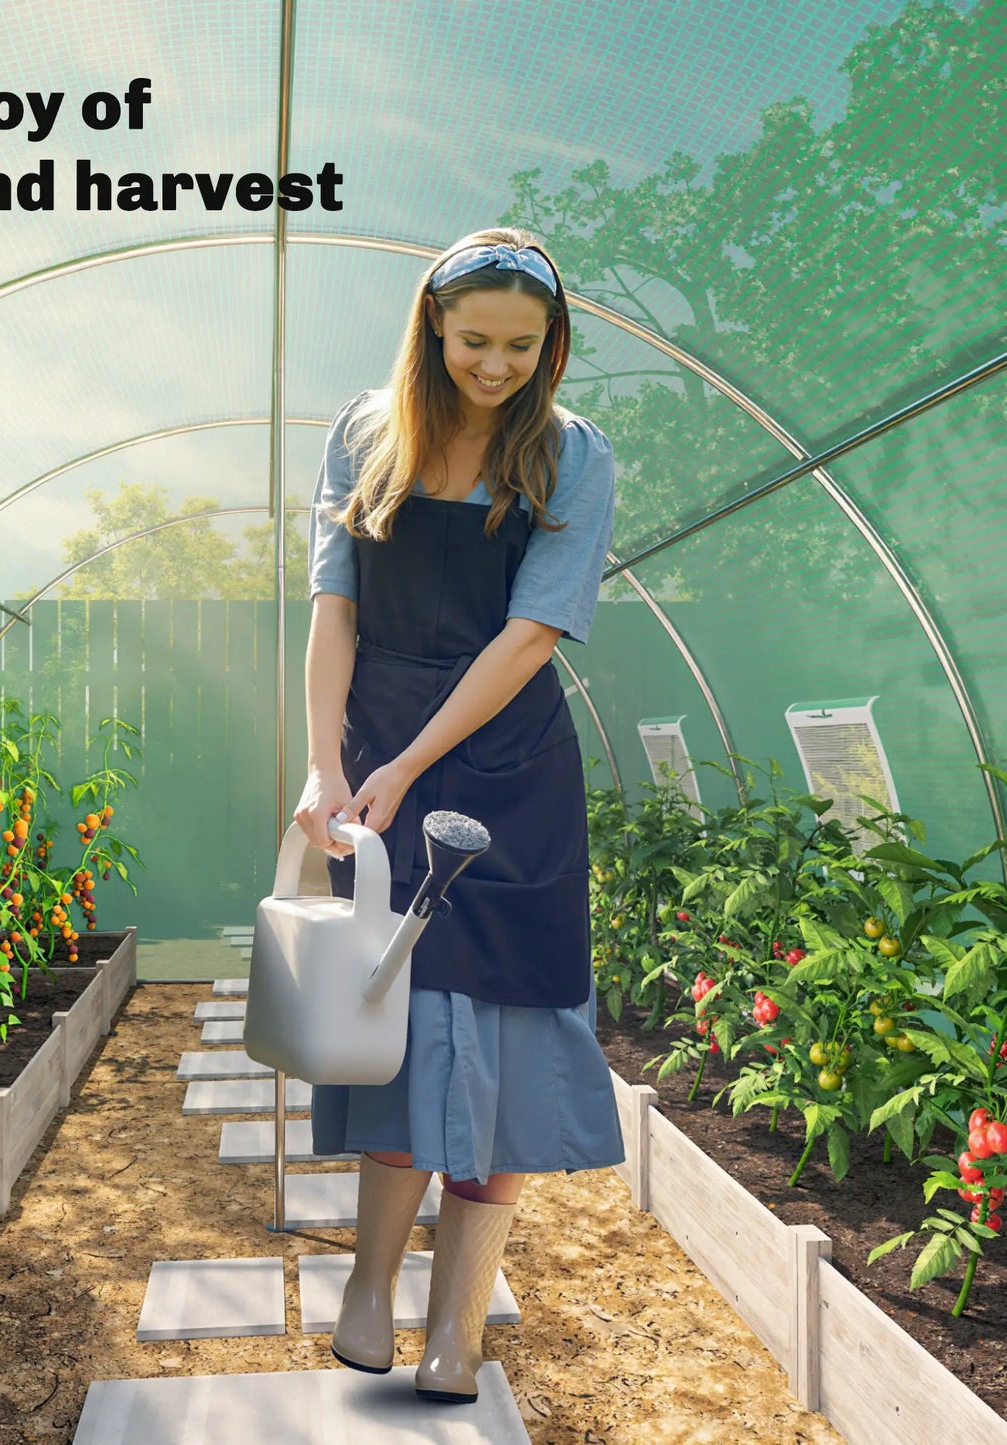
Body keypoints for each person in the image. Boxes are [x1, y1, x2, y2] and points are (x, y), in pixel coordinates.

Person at [294, 226, 627, 1405]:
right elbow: (331, 609)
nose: (495, 365)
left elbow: (529, 634)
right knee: (392, 1023)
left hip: (507, 771)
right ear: (432, 325)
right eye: (475, 340)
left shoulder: (572, 455)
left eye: (521, 346)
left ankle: (456, 1327)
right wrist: (325, 763)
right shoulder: (363, 433)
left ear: (552, 345)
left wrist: (410, 761)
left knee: (506, 1047)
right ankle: (366, 1293)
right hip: (376, 746)